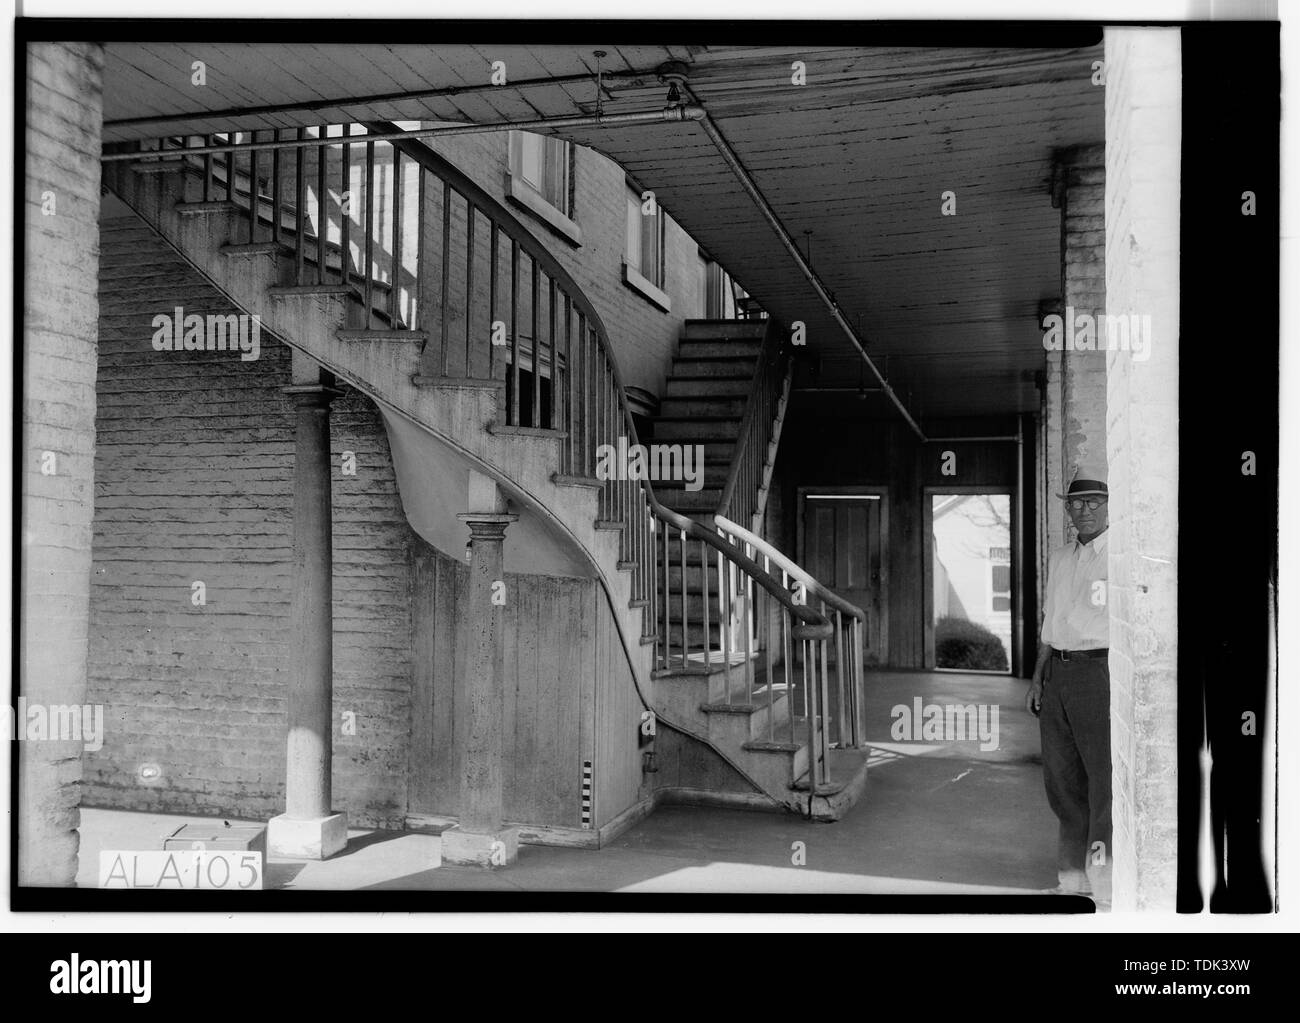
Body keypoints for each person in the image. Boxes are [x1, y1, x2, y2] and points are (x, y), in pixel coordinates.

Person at [1026, 462, 1111, 904]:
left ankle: (1104, 888)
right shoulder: (1060, 558)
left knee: (1102, 784)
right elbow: (1049, 623)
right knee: (1062, 784)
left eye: (1094, 502)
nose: (1084, 510)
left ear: (1109, 506)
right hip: (1057, 674)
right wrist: (1039, 677)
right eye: (1076, 503)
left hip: (1098, 673)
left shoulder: (1121, 557)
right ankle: (1071, 883)